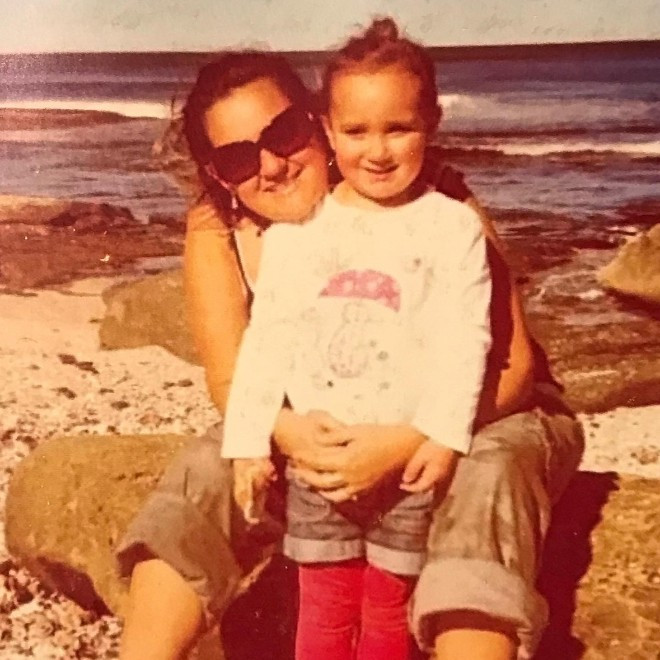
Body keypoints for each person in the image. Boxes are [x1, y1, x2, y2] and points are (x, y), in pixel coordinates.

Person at [117, 28, 583, 660]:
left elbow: (514, 367)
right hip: (329, 427)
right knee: (208, 464)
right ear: (218, 175)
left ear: (317, 123)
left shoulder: (431, 200)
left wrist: (406, 441)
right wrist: (287, 435)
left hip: (487, 408)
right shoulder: (217, 231)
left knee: (487, 473)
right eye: (238, 159)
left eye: (283, 134)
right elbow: (231, 378)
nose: (271, 165)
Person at [220, 19, 492, 660]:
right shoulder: (299, 234)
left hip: (405, 461)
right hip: (320, 462)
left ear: (432, 123)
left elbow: (467, 337)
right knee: (324, 605)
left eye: (398, 128)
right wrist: (248, 444)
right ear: (327, 129)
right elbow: (267, 340)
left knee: (388, 609)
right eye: (356, 131)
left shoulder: (451, 228)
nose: (378, 150)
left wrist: (443, 435)